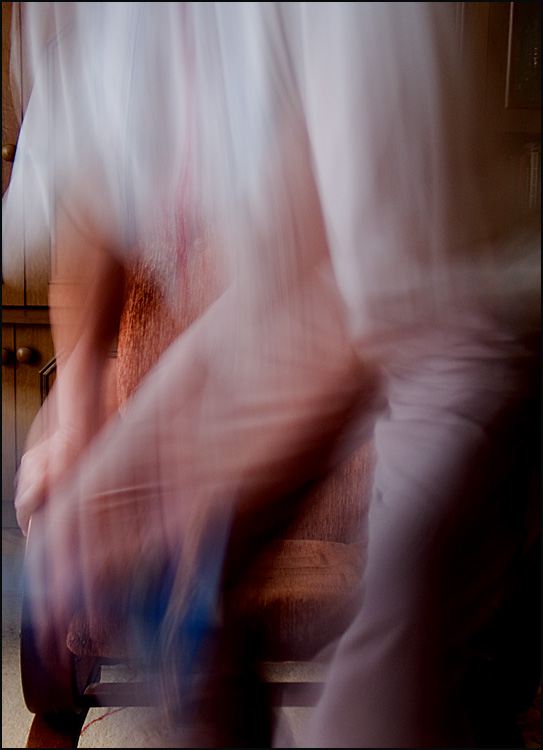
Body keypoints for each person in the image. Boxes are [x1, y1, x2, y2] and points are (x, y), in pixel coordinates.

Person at [4, 3, 540, 746]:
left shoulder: (356, 21)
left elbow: (350, 314)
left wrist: (200, 511)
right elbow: (94, 195)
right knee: (124, 561)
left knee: (369, 714)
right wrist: (79, 417)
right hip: (282, 294)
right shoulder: (94, 19)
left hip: (447, 330)